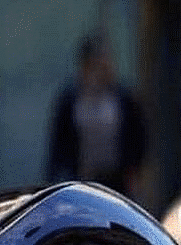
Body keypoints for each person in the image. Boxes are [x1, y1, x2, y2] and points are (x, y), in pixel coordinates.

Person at [46, 31, 147, 200]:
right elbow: (59, 145)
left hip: (117, 181)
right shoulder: (71, 100)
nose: (104, 68)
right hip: (82, 179)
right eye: (97, 64)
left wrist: (134, 172)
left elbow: (138, 139)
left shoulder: (123, 99)